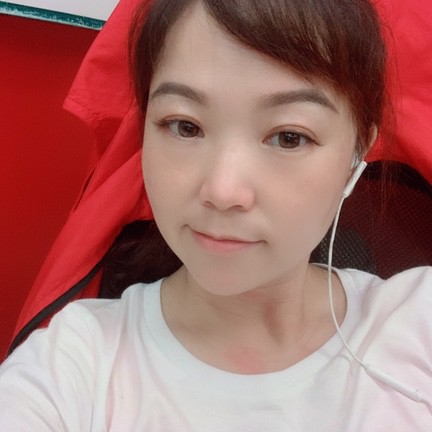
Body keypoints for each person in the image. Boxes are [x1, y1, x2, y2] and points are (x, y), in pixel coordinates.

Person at [0, 0, 431, 430]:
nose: (223, 193)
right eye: (185, 126)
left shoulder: (417, 323)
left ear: (357, 152)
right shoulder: (72, 367)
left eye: (288, 137)